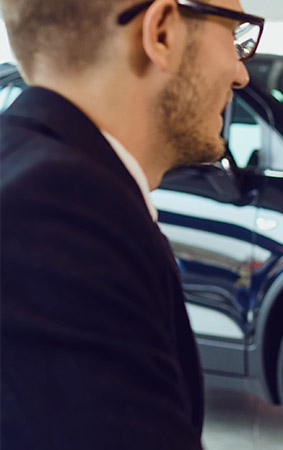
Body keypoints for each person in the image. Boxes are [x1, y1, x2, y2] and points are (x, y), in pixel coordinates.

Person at [0, 0, 263, 447]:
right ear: (162, 32)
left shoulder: (31, 173)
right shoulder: (60, 215)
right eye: (234, 34)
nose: (241, 74)